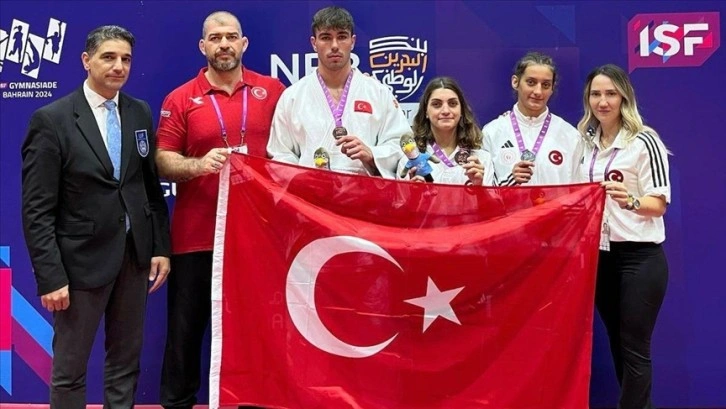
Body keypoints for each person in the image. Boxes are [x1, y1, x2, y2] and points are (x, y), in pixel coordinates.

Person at [20, 25, 171, 408]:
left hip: (133, 259)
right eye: (109, 57)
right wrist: (50, 277)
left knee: (125, 363)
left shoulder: (139, 111)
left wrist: (158, 247)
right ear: (86, 60)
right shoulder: (51, 119)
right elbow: (37, 209)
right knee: (70, 370)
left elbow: (148, 187)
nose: (119, 66)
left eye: (126, 59)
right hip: (79, 265)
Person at [155, 11, 285, 409]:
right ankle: (177, 403)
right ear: (203, 46)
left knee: (257, 330)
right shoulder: (181, 98)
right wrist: (198, 165)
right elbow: (162, 159)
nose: (224, 44)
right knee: (185, 331)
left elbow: (292, 155)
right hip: (197, 235)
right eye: (215, 38)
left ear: (244, 44)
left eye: (231, 37)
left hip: (259, 236)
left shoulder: (273, 91)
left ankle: (255, 402)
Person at [577, 64, 670, 409]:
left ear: (624, 98)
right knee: (618, 343)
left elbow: (658, 204)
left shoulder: (644, 141)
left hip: (639, 258)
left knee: (634, 346)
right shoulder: (585, 143)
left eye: (610, 94)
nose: (603, 102)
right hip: (601, 257)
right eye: (596, 94)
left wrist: (630, 200)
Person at [267, 6, 410, 178]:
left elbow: (401, 144)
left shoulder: (378, 93)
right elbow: (280, 154)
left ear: (353, 41)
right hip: (311, 192)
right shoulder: (292, 97)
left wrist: (373, 154)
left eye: (342, 37)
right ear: (314, 43)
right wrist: (304, 179)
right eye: (326, 38)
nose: (334, 46)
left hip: (366, 191)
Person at [482, 51, 581, 186]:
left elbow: (578, 190)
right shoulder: (491, 133)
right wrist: (509, 181)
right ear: (515, 82)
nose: (538, 92)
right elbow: (484, 191)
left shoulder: (570, 135)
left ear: (552, 88)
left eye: (545, 85)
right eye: (531, 82)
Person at [401, 76, 494, 186]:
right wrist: (412, 193)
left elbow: (491, 198)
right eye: (436, 104)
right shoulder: (410, 160)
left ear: (461, 111)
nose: (445, 111)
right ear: (426, 111)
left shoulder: (481, 159)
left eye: (452, 104)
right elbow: (399, 197)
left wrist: (479, 186)